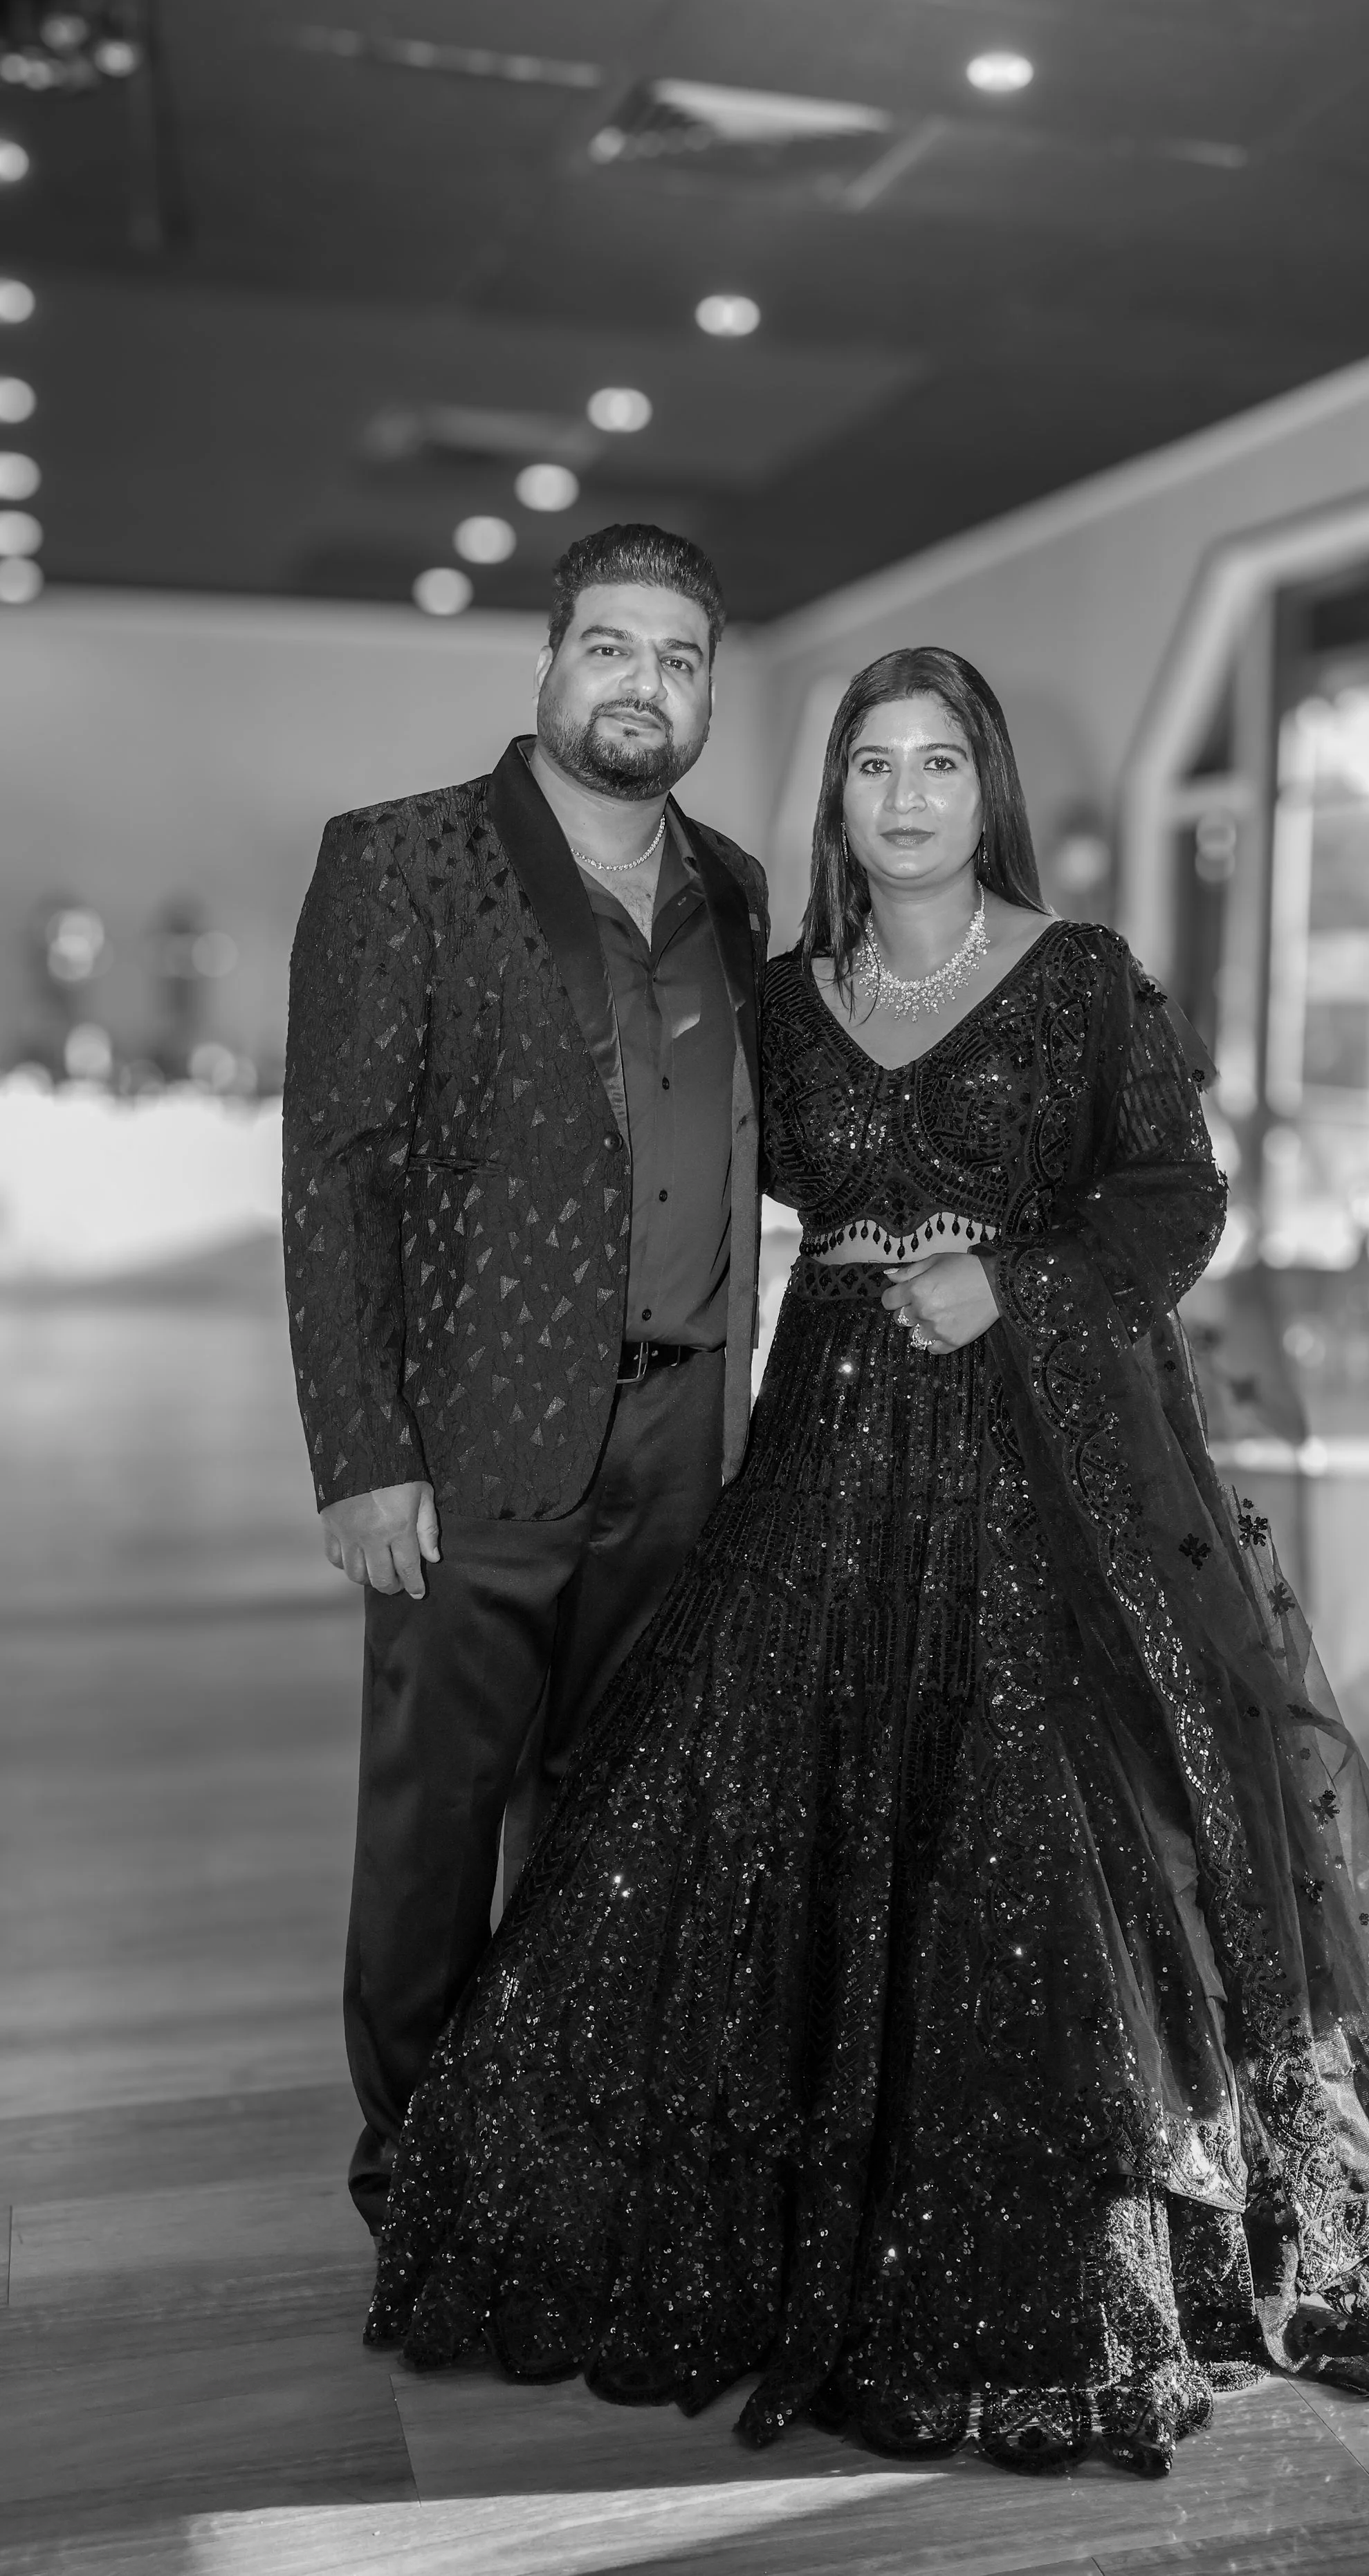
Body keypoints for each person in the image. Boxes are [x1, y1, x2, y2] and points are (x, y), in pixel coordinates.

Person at [365, 647, 1369, 2476]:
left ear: (986, 786)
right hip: (823, 1445)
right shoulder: (781, 999)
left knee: (1039, 1820)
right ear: (839, 799)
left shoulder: (1080, 977)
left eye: (939, 761)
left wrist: (1010, 1281)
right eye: (874, 762)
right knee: (714, 1804)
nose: (906, 792)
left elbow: (1171, 1200)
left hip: (1044, 1461)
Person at [282, 524, 769, 2237]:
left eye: (681, 658)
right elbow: (335, 1171)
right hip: (471, 1435)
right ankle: (412, 2171)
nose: (645, 683)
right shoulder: (401, 860)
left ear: (706, 692)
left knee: (615, 1815)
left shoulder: (737, 890)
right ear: (550, 667)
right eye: (613, 648)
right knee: (436, 1820)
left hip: (680, 1438)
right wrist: (360, 1453)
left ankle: (562, 2130)